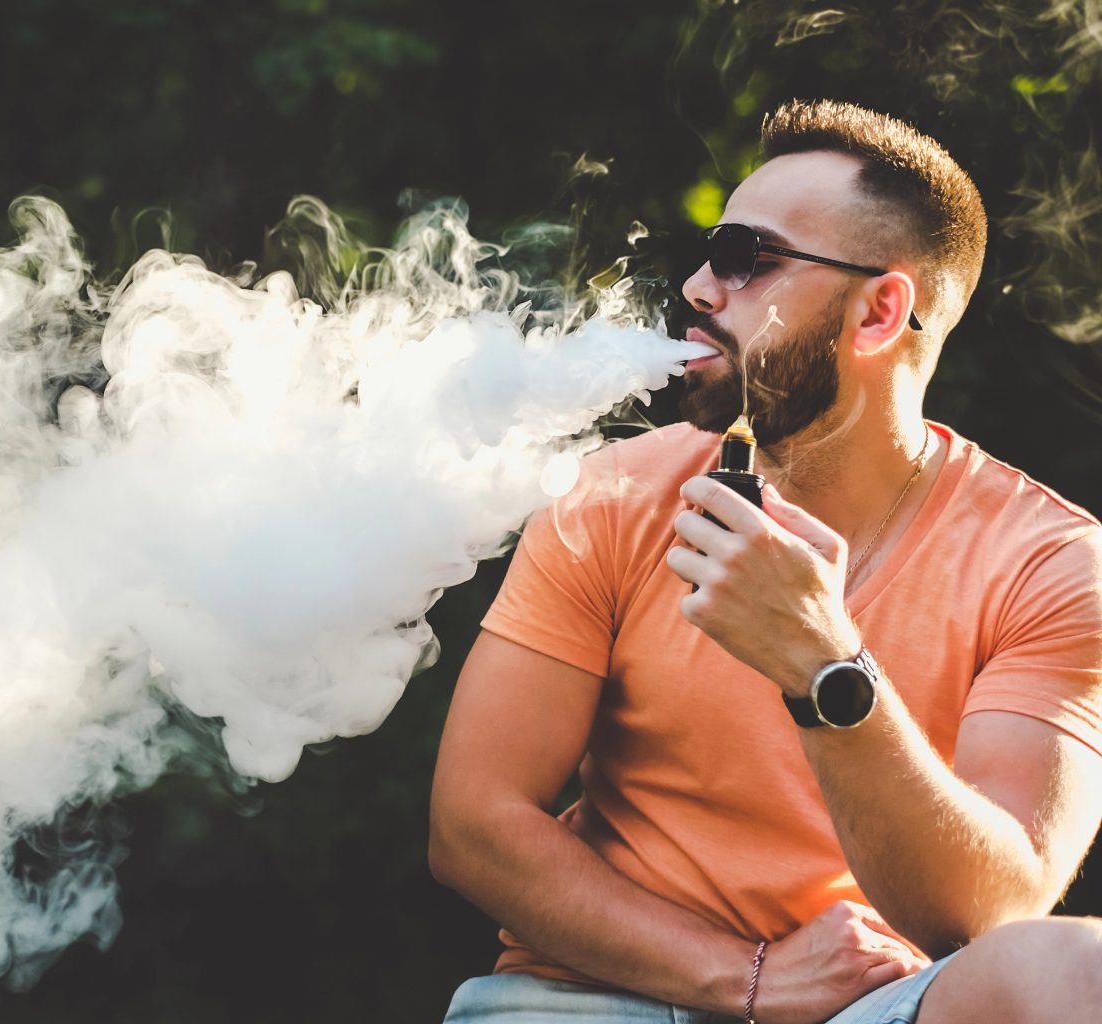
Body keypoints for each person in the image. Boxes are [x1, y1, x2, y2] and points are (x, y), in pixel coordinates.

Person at [429, 99, 1102, 1024]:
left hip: (863, 1005)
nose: (701, 288)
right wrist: (744, 979)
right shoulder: (615, 494)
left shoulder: (1053, 562)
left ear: (878, 312)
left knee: (1077, 971)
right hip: (592, 1000)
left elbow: (990, 912)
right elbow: (473, 825)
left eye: (749, 258)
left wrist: (824, 664)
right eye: (711, 254)